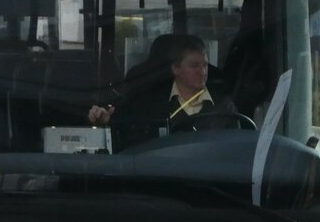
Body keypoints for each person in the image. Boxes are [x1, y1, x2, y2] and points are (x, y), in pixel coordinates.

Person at [88, 35, 234, 146]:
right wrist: (105, 121)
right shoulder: (148, 103)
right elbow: (125, 138)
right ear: (175, 68)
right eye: (194, 65)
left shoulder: (225, 106)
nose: (202, 71)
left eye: (205, 65)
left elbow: (234, 150)